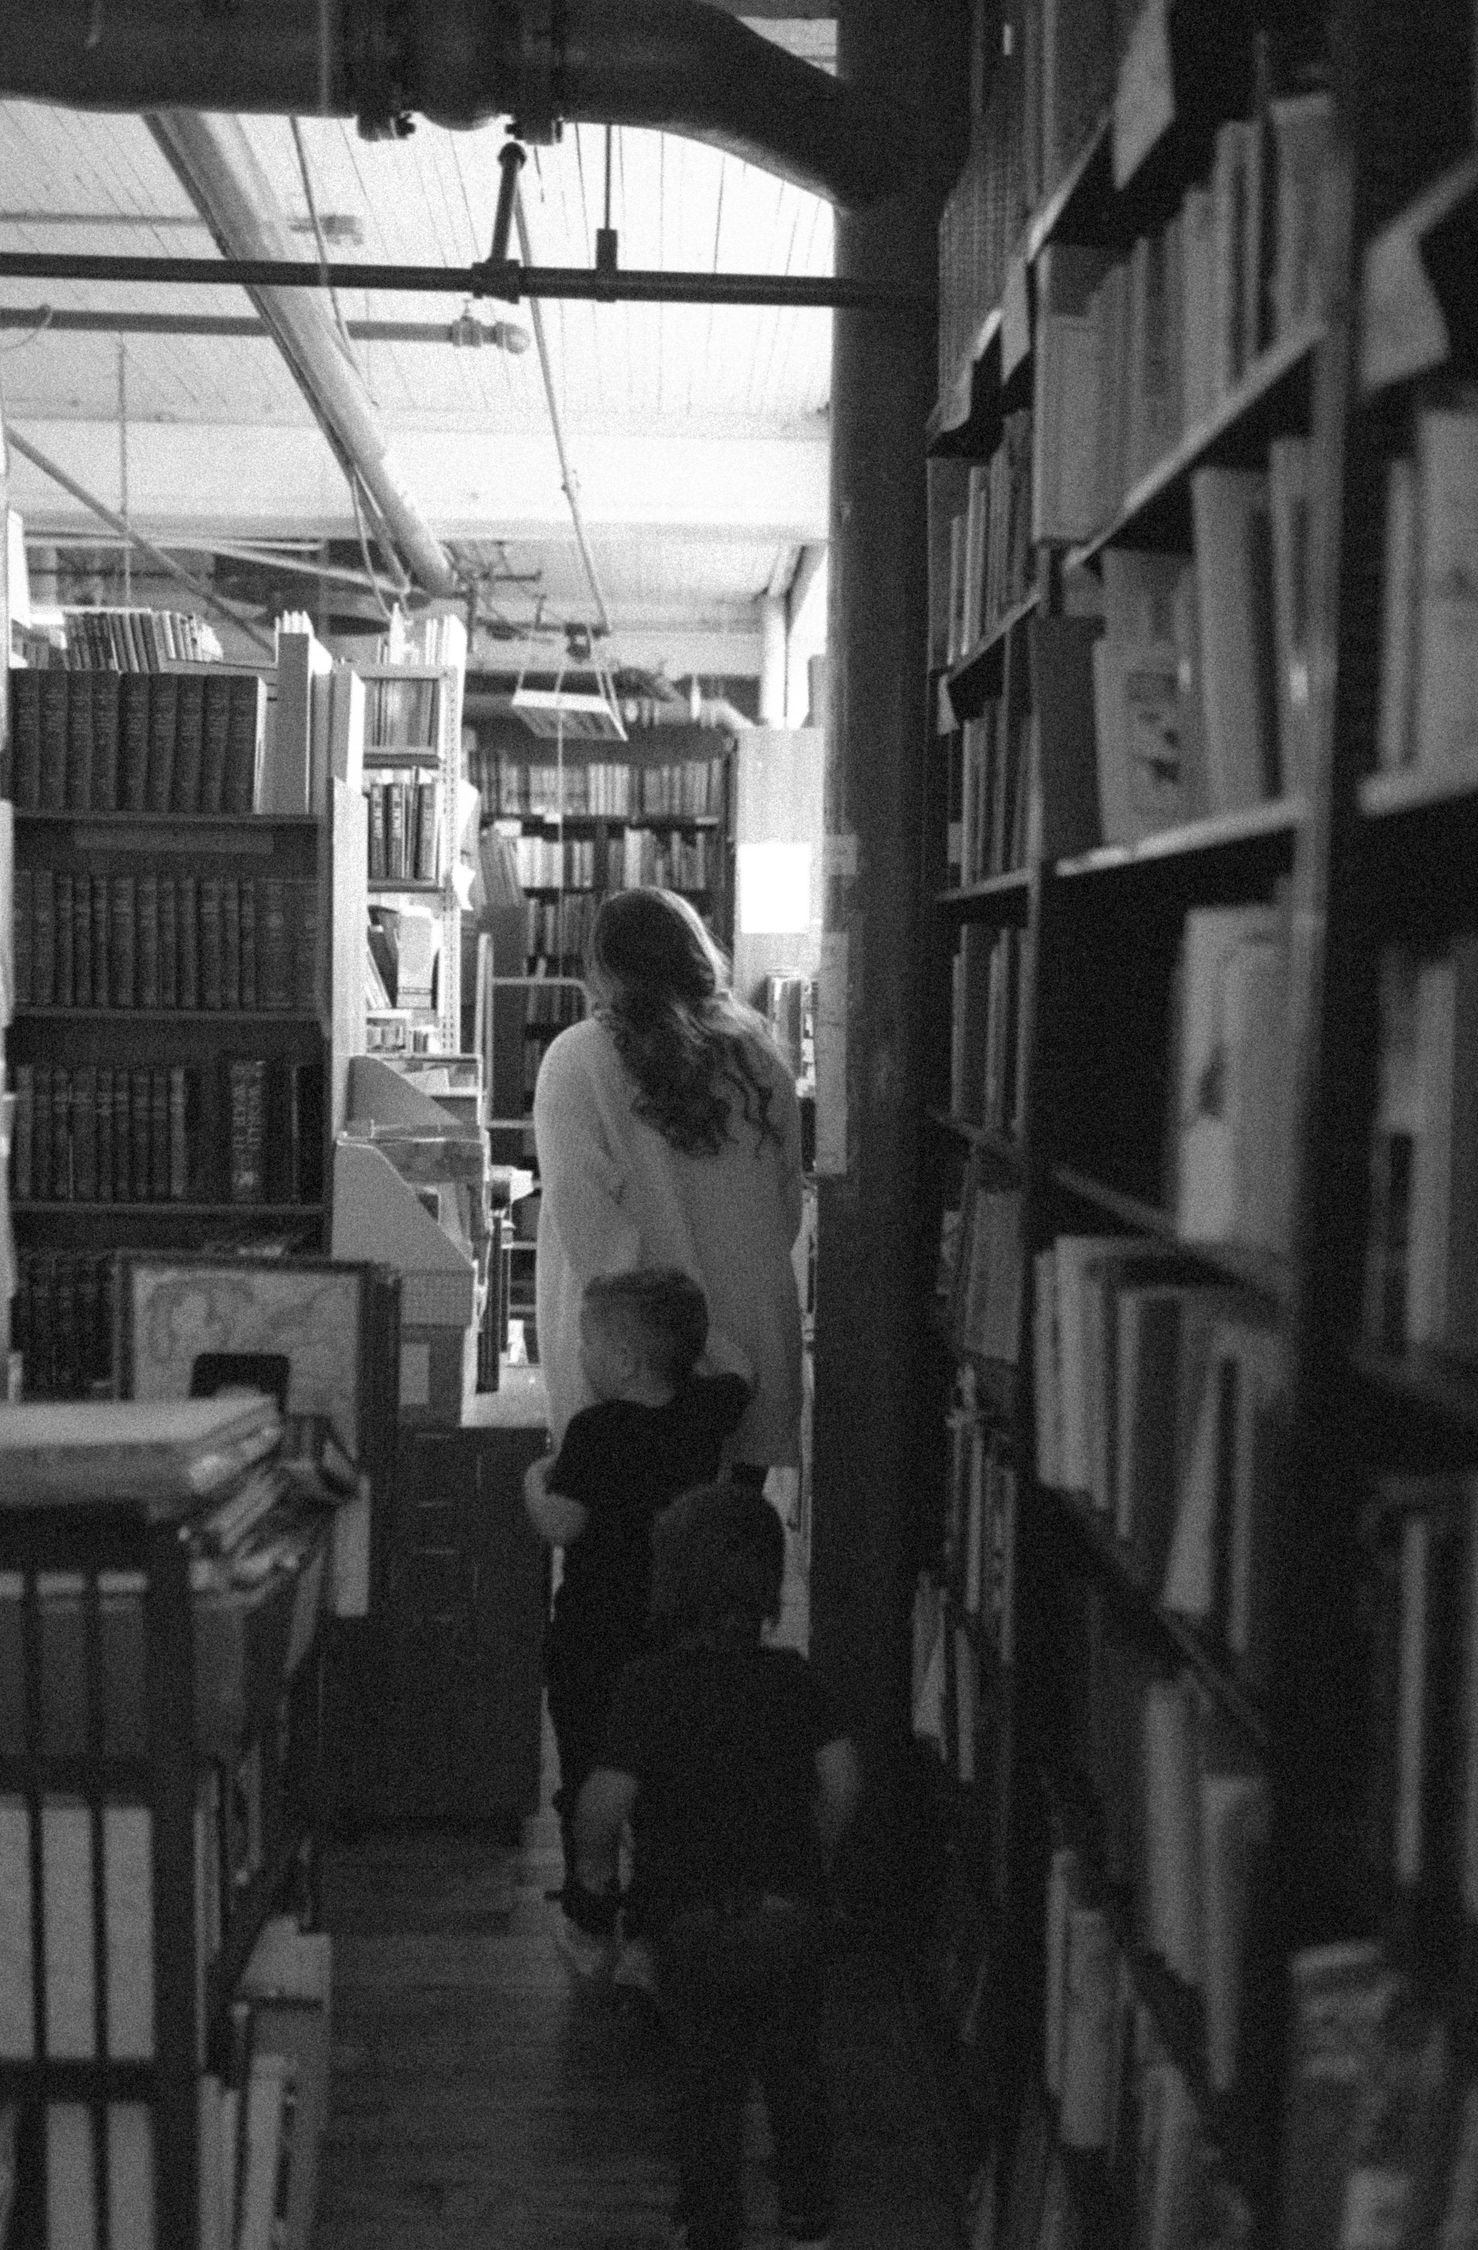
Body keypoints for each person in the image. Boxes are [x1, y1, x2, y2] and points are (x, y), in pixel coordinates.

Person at [569, 1483, 862, 2250]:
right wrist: (816, 1857)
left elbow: (602, 1804)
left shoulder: (647, 1686)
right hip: (790, 1913)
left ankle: (711, 2223)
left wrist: (596, 1885)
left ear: (670, 1585)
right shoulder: (795, 1679)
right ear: (769, 1589)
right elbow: (842, 1778)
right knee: (796, 2070)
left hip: (691, 1922)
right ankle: (806, 2217)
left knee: (708, 2084)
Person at [523, 1265, 752, 1994]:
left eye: (588, 1344)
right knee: (666, 1783)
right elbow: (738, 1364)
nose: (580, 1358)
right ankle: (655, 1936)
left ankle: (591, 1915)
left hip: (593, 1636)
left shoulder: (594, 1431)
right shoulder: (709, 1411)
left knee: (589, 1771)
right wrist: (689, 1346)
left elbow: (563, 1525)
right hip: (672, 1635)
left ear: (620, 1359)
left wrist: (533, 1480)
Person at [532, 886, 804, 1489]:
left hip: (639, 1371)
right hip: (752, 1348)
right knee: (723, 1558)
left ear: (602, 967)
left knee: (625, 1565)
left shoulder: (578, 1059)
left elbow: (592, 1237)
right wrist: (726, 1352)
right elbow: (786, 1211)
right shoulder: (760, 1058)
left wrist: (688, 1353)